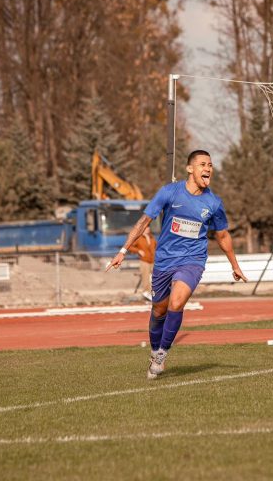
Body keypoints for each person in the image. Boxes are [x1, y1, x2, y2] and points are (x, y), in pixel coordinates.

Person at [105, 150, 248, 379]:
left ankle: (162, 352)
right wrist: (123, 250)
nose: (208, 169)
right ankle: (154, 351)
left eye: (210, 165)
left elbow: (222, 236)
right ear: (190, 169)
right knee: (158, 310)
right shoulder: (169, 193)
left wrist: (235, 265)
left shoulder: (213, 202)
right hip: (164, 260)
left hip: (193, 260)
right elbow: (143, 222)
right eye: (203, 164)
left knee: (177, 301)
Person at [127, 224, 156, 301]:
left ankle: (153, 293)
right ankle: (146, 292)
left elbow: (155, 247)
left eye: (148, 229)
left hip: (153, 260)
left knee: (154, 277)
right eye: (146, 229)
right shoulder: (139, 238)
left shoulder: (151, 237)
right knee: (145, 277)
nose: (148, 230)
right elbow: (130, 246)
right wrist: (138, 251)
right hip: (144, 260)